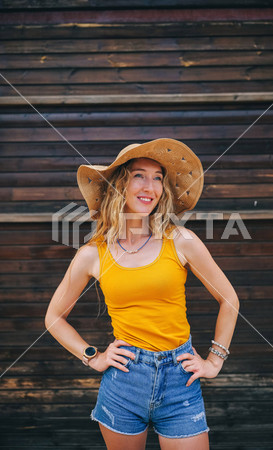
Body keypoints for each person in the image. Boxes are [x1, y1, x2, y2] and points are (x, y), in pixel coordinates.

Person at [45, 138, 240, 450]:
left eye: (158, 177)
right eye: (139, 175)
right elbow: (54, 318)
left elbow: (229, 300)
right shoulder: (92, 254)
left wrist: (214, 361)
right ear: (119, 185)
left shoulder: (180, 241)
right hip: (123, 382)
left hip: (181, 381)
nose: (150, 185)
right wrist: (93, 357)